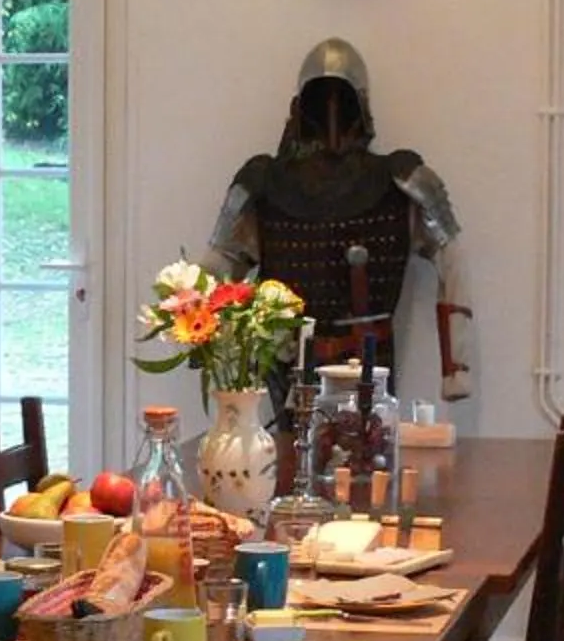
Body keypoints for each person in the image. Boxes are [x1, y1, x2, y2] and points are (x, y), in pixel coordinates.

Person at [201, 37, 472, 400]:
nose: (331, 111)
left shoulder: (401, 179)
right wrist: (209, 347)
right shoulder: (263, 181)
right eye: (321, 97)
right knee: (289, 453)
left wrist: (456, 369)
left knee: (368, 450)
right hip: (289, 367)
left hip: (370, 366)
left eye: (341, 99)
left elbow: (452, 262)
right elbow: (218, 268)